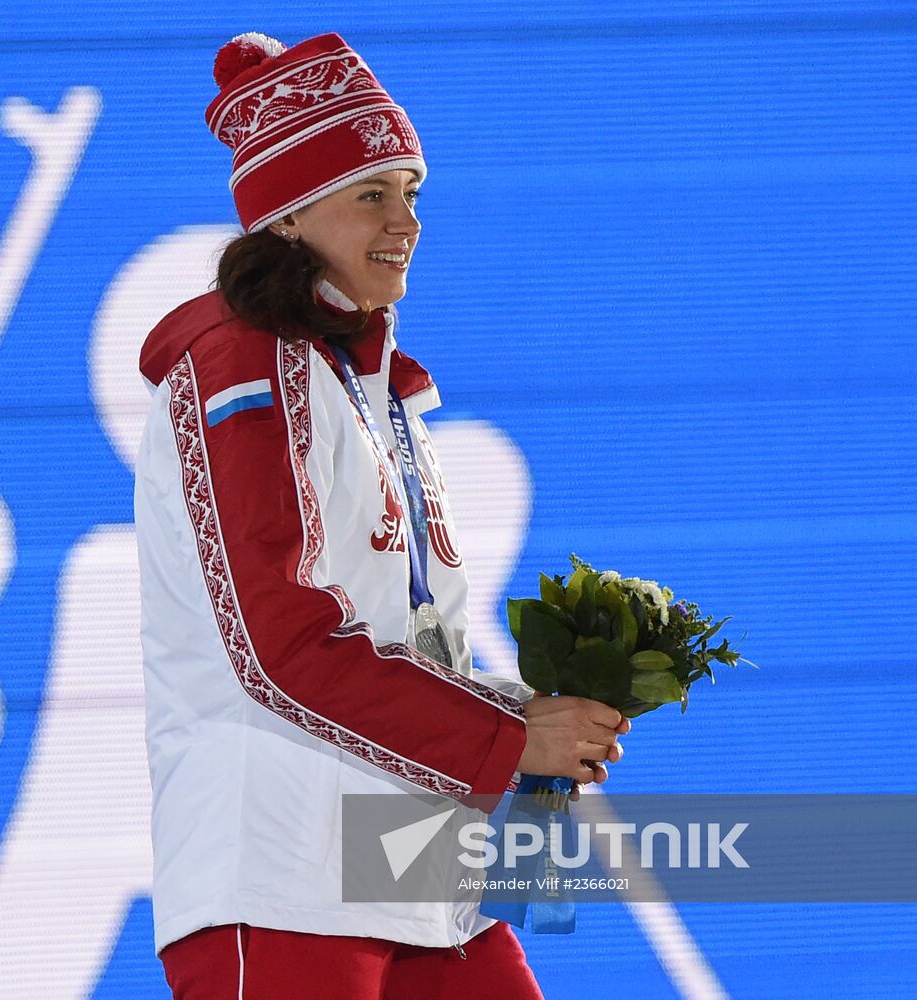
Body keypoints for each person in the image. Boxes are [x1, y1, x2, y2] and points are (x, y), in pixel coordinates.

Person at [133, 31, 629, 999]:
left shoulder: (376, 395)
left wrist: (530, 719)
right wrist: (509, 739)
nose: (403, 219)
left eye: (411, 192)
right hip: (279, 880)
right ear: (284, 216)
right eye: (371, 193)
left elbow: (406, 641)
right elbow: (283, 646)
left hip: (414, 878)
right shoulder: (243, 367)